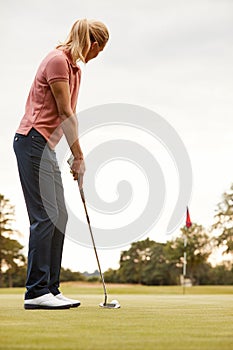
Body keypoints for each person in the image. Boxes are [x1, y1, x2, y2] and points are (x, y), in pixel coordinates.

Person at [13, 19, 109, 309]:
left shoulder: (74, 69)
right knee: (45, 215)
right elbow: (65, 112)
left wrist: (72, 152)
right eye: (99, 50)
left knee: (60, 217)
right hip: (31, 141)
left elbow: (71, 115)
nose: (96, 56)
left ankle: (51, 289)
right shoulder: (57, 61)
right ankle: (36, 292)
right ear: (93, 44)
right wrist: (80, 156)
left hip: (46, 147)